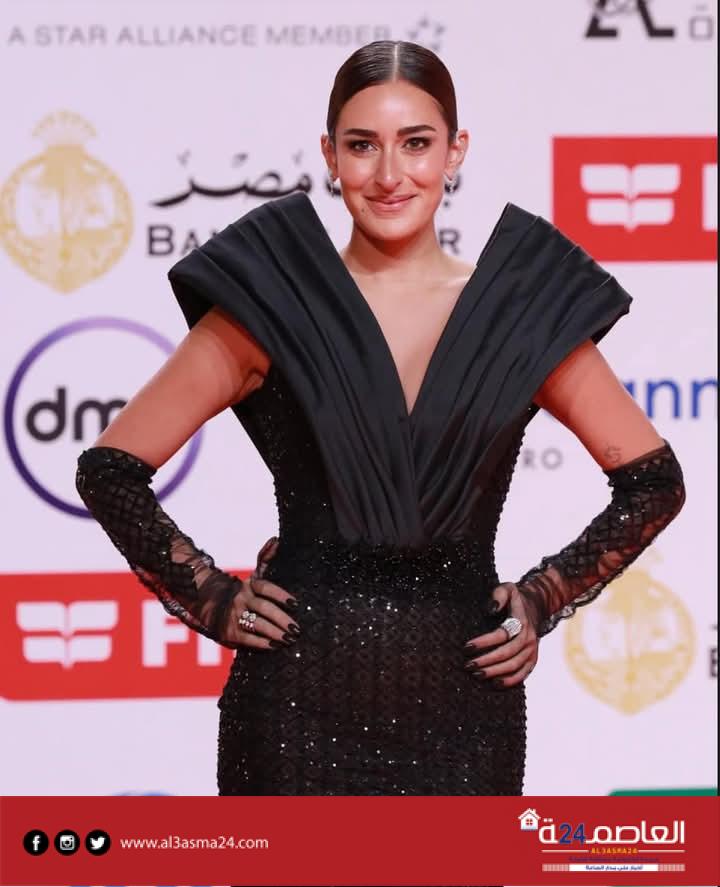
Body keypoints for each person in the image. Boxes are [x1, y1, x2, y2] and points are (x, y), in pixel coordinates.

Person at [75, 40, 686, 795]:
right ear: (330, 156)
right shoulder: (271, 304)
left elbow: (653, 484)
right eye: (363, 145)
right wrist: (211, 595)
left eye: (416, 143)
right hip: (296, 709)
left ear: (455, 151)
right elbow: (110, 470)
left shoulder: (520, 314)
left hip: (465, 709)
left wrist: (543, 595)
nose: (390, 174)